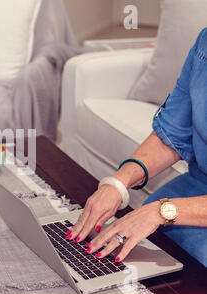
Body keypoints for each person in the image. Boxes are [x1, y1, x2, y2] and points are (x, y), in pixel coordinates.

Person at [66, 28, 207, 267]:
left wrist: (161, 212)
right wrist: (117, 184)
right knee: (127, 254)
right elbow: (173, 133)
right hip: (197, 185)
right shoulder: (204, 42)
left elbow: (160, 211)